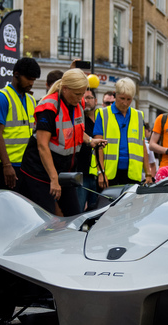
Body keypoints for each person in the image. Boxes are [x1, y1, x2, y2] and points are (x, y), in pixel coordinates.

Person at [19, 69, 106, 216]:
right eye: (77, 94)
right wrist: (54, 179)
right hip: (40, 172)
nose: (80, 98)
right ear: (65, 89)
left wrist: (90, 140)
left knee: (74, 215)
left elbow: (74, 130)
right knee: (45, 217)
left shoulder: (78, 103)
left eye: (82, 94)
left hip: (65, 170)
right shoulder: (49, 107)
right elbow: (42, 145)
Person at [0, 57, 40, 190]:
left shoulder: (31, 100)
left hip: (26, 165)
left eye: (33, 79)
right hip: (5, 166)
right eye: (28, 78)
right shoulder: (2, 97)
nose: (31, 83)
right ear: (16, 74)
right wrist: (7, 165)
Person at [91, 78, 152, 187]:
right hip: (109, 174)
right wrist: (101, 172)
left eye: (129, 99)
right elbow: (97, 145)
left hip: (132, 174)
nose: (125, 103)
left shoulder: (138, 115)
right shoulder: (103, 114)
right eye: (122, 98)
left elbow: (142, 145)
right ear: (115, 95)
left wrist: (148, 174)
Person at [76, 87, 99, 211]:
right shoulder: (79, 120)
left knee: (97, 211)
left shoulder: (101, 120)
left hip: (97, 174)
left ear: (96, 100)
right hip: (82, 173)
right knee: (79, 211)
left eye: (89, 97)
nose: (86, 100)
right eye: (83, 98)